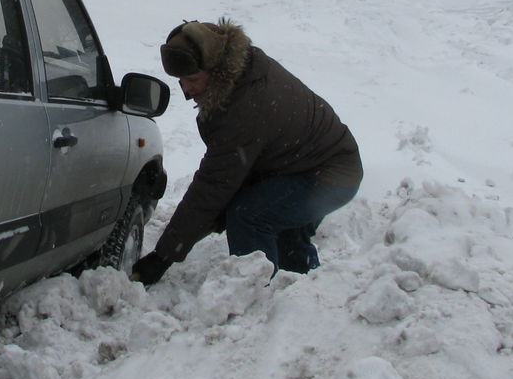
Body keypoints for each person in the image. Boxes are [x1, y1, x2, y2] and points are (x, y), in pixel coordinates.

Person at [130, 18, 362, 286]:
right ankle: (302, 289)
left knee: (249, 217)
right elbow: (230, 179)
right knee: (282, 226)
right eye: (181, 80)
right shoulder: (242, 69)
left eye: (192, 79)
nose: (186, 89)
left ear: (216, 70)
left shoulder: (244, 107)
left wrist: (163, 257)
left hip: (330, 174)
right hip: (305, 164)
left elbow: (214, 187)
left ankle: (253, 292)